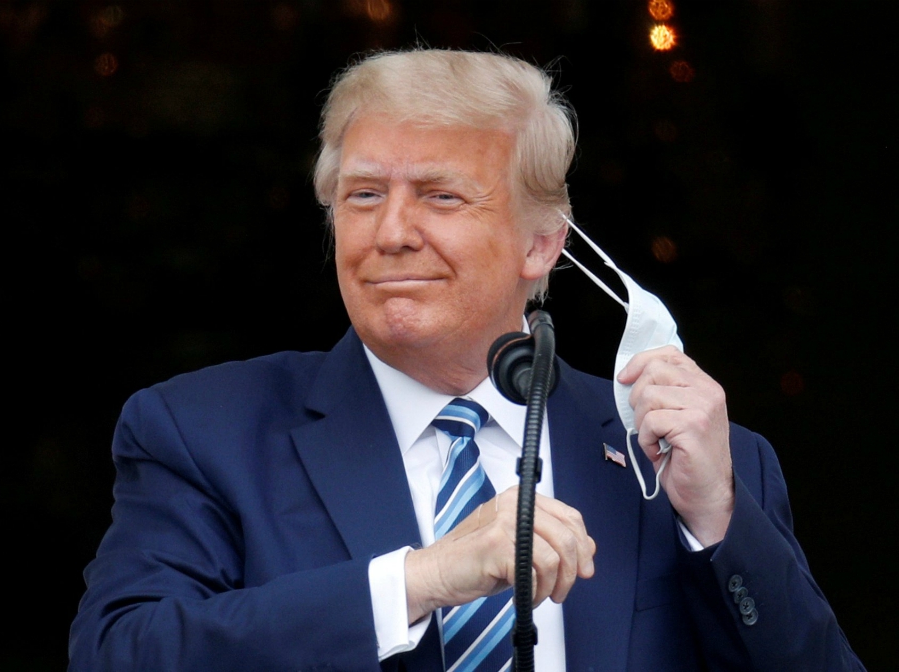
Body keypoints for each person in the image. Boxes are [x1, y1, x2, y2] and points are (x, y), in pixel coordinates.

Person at [68, 49, 864, 671]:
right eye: (365, 195)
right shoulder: (204, 431)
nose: (392, 233)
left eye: (441, 196)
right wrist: (419, 582)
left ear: (542, 243)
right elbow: (119, 653)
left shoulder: (692, 463)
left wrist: (717, 521)